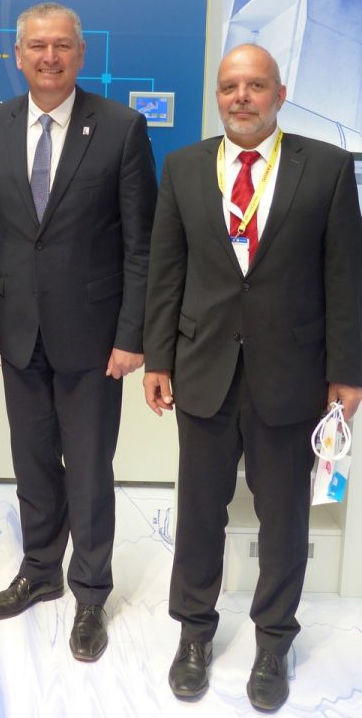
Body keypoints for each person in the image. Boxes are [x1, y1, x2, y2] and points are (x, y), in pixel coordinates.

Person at [143, 43, 362, 712]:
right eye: (230, 85)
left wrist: (346, 372)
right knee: (199, 511)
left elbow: (345, 277)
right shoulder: (182, 168)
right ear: (219, 93)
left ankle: (274, 640)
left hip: (290, 374)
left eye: (255, 85)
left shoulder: (325, 168)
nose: (242, 96)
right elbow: (166, 272)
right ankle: (194, 633)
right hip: (203, 368)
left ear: (280, 92)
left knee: (284, 517)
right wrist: (157, 359)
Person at [0, 2, 157, 661]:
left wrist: (133, 333)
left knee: (89, 472)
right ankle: (40, 571)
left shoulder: (121, 128)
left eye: (62, 47)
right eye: (36, 46)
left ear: (82, 55)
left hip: (95, 336)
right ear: (17, 56)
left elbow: (142, 246)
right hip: (17, 333)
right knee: (32, 465)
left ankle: (90, 591)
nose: (49, 57)